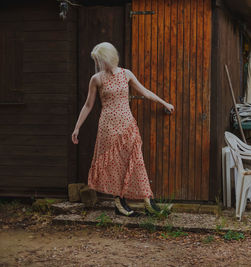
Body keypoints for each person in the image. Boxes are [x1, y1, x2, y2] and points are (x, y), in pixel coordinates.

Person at [71, 42, 174, 217]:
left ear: (109, 57)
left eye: (100, 60)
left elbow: (145, 92)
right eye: (97, 61)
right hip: (108, 127)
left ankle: (149, 201)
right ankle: (119, 202)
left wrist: (164, 103)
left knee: (136, 160)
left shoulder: (126, 74)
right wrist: (77, 127)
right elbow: (88, 105)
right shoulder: (96, 79)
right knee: (116, 166)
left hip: (127, 125)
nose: (99, 64)